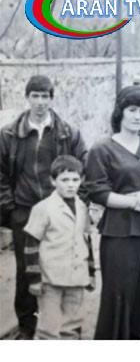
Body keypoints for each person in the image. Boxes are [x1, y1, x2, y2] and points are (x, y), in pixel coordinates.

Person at [0, 75, 87, 339]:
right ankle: (27, 328)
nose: (40, 102)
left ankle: (65, 327)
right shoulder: (9, 134)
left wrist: (74, 203)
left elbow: (83, 167)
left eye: (45, 96)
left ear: (51, 98)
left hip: (59, 211)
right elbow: (0, 174)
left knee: (63, 265)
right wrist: (11, 208)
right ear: (27, 98)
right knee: (27, 270)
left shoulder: (67, 132)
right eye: (35, 96)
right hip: (25, 211)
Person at [85, 86, 140, 339]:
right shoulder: (102, 148)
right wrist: (135, 203)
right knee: (120, 292)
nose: (137, 116)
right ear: (120, 113)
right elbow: (97, 192)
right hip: (120, 232)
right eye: (132, 110)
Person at [23, 155, 95, 339]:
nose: (70, 185)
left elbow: (85, 240)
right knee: (49, 327)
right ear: (53, 181)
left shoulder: (82, 207)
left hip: (76, 277)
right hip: (50, 279)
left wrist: (91, 274)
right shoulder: (43, 208)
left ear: (82, 180)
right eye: (64, 180)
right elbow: (31, 244)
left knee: (72, 325)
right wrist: (34, 279)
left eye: (75, 180)